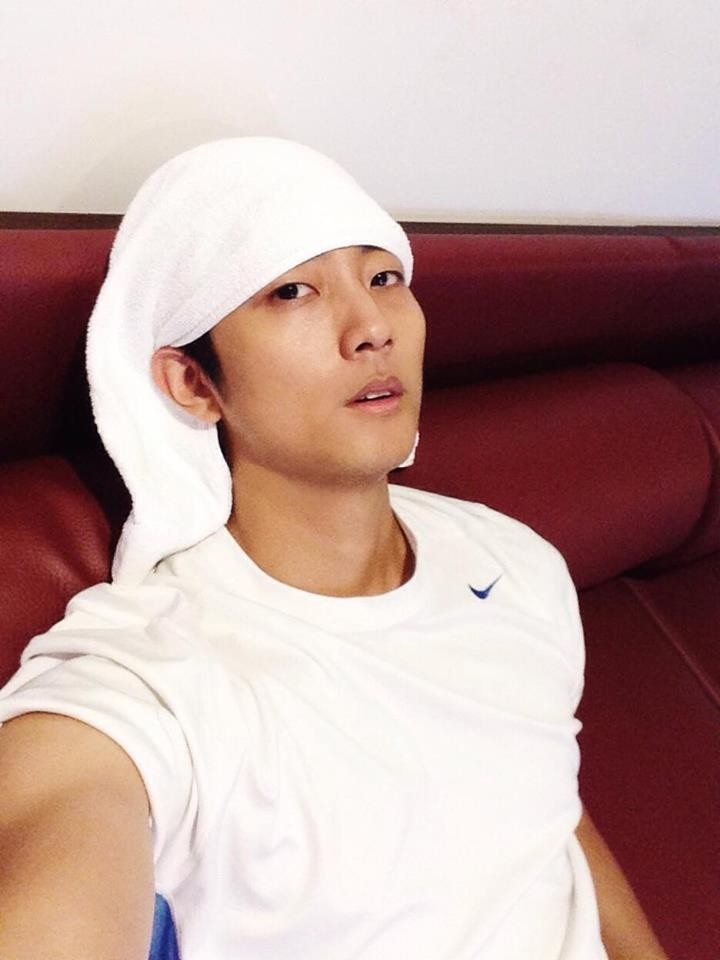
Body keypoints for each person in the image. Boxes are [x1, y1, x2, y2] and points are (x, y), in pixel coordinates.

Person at [0, 138, 667, 960]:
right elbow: (61, 820)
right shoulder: (148, 680)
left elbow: (548, 815)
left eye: (383, 277)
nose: (372, 328)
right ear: (193, 384)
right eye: (293, 291)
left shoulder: (516, 561)